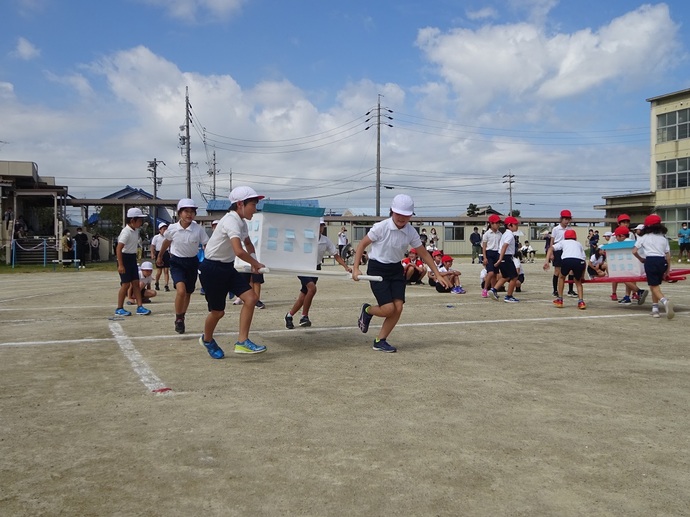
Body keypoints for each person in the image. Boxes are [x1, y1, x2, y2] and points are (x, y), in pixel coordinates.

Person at [352, 194, 451, 353]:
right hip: (377, 268)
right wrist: (356, 268)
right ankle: (367, 310)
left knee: (398, 308)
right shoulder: (381, 227)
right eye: (398, 214)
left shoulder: (411, 232)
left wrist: (438, 273)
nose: (402, 218)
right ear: (391, 211)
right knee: (388, 309)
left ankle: (380, 340)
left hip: (396, 269)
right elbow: (362, 245)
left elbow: (424, 254)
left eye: (406, 215)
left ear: (411, 215)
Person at [198, 186, 268, 359]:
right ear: (240, 204)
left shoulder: (241, 222)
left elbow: (248, 245)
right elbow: (238, 250)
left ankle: (242, 342)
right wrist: (256, 263)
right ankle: (207, 340)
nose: (255, 209)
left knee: (251, 298)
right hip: (211, 269)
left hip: (227, 268)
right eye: (253, 204)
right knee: (218, 312)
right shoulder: (230, 221)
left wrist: (253, 262)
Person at [285, 218, 352, 329]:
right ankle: (304, 316)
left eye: (321, 226)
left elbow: (336, 255)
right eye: (317, 225)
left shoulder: (326, 240)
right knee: (312, 289)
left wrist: (346, 267)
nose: (319, 228)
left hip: (316, 268)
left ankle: (289, 315)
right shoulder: (305, 237)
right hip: (302, 267)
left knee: (304, 295)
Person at [157, 198, 209, 334]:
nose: (189, 214)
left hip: (192, 262)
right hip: (176, 262)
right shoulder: (172, 228)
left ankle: (182, 316)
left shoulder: (198, 229)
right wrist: (160, 256)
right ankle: (178, 318)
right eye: (186, 211)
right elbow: (166, 243)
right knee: (181, 290)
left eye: (192, 212)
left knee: (188, 292)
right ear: (179, 213)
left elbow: (206, 245)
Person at [633, 214, 674, 319]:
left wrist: (640, 258)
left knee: (654, 286)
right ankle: (655, 309)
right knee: (654, 285)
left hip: (651, 261)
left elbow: (634, 251)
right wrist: (667, 271)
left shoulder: (644, 237)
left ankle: (665, 301)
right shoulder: (663, 238)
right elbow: (668, 256)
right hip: (662, 262)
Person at [114, 208, 151, 316]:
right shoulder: (126, 232)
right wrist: (120, 265)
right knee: (125, 284)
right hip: (124, 259)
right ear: (132, 220)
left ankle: (140, 307)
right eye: (139, 220)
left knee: (135, 283)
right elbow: (118, 249)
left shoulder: (135, 230)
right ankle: (119, 308)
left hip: (131, 258)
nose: (141, 222)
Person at [609, 225, 648, 306]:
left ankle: (639, 291)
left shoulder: (624, 243)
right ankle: (627, 297)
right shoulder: (634, 241)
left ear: (622, 236)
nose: (616, 239)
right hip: (641, 267)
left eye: (617, 237)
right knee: (628, 278)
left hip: (632, 266)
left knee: (622, 277)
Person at [550, 229, 587, 309]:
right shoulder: (578, 244)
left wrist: (548, 258)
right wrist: (582, 275)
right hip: (579, 261)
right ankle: (581, 302)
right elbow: (584, 259)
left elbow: (552, 247)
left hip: (567, 260)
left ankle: (560, 299)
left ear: (565, 237)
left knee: (561, 277)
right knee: (578, 282)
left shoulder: (563, 242)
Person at [543, 210, 576, 297]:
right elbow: (552, 241)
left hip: (566, 250)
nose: (567, 221)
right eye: (565, 219)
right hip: (557, 250)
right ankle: (555, 290)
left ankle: (570, 290)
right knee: (557, 271)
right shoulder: (556, 229)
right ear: (561, 219)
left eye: (569, 219)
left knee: (570, 270)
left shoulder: (569, 229)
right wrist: (551, 253)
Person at [488, 216, 521, 303]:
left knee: (505, 276)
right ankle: (509, 296)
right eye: (515, 224)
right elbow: (504, 246)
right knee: (514, 277)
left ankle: (494, 289)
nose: (517, 226)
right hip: (506, 257)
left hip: (503, 257)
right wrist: (500, 259)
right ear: (509, 225)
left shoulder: (505, 234)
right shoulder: (509, 235)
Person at [481, 214, 502, 298]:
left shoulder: (500, 234)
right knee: (490, 273)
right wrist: (485, 257)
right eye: (496, 223)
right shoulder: (487, 234)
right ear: (491, 223)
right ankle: (485, 289)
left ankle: (493, 290)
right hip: (489, 253)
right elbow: (484, 247)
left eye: (498, 223)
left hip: (497, 253)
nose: (498, 225)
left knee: (495, 274)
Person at [150, 222, 171, 292]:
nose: (165, 230)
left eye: (166, 229)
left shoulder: (168, 237)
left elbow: (170, 245)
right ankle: (156, 282)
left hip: (166, 253)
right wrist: (152, 254)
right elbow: (152, 246)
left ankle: (166, 285)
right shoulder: (156, 237)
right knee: (159, 271)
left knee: (166, 270)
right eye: (163, 229)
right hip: (158, 253)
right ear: (160, 230)